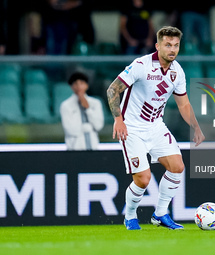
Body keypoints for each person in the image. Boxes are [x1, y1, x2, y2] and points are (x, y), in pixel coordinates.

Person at [107, 26, 205, 230]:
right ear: (157, 45)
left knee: (177, 167)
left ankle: (160, 214)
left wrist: (195, 127)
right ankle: (130, 216)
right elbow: (113, 89)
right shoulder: (141, 65)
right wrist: (118, 119)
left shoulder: (177, 71)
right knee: (143, 179)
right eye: (168, 45)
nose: (172, 49)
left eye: (176, 45)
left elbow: (184, 104)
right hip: (132, 128)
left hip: (156, 126)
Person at [60, 72, 104, 150]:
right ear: (72, 87)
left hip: (93, 147)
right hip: (74, 148)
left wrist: (88, 109)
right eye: (76, 84)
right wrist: (86, 127)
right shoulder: (66, 105)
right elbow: (70, 130)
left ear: (87, 85)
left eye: (81, 83)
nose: (79, 86)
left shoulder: (95, 103)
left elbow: (98, 125)